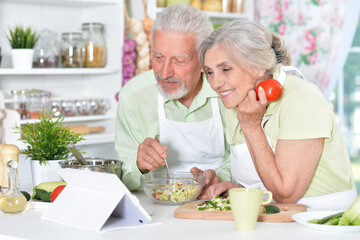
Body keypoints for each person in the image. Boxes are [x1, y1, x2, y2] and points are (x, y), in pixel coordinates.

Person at [197, 19, 357, 210]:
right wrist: (239, 190)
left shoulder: (302, 99)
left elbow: (285, 193)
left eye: (225, 69)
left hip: (321, 220)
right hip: (275, 217)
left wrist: (251, 126)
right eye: (209, 72)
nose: (215, 83)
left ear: (257, 66)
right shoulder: (236, 102)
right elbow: (266, 182)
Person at [115, 3, 231, 191]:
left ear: (204, 61)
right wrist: (139, 164)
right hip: (155, 210)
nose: (165, 72)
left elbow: (243, 159)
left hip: (216, 205)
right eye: (158, 57)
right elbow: (122, 175)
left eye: (179, 60)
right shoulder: (133, 96)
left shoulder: (226, 92)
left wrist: (220, 177)